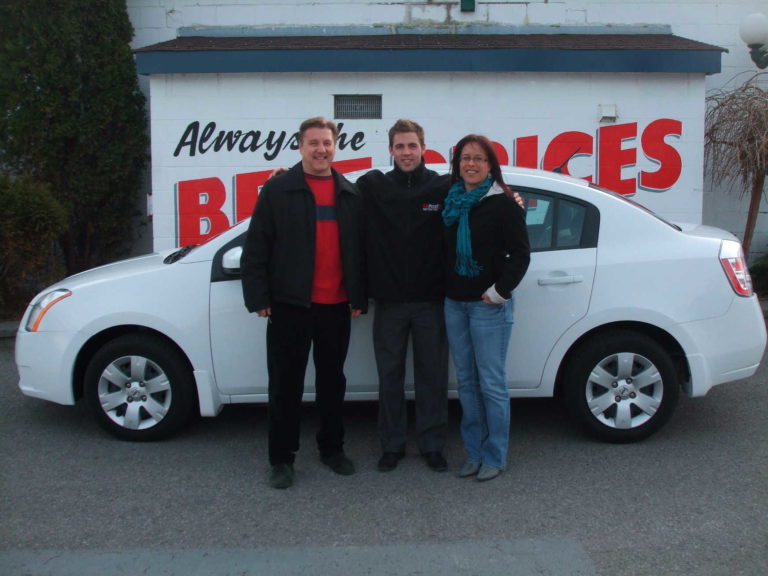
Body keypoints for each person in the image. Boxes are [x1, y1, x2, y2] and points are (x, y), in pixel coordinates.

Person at [240, 117, 367, 490]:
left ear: (335, 146)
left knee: (333, 383)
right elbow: (257, 248)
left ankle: (332, 449)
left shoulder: (350, 193)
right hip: (288, 306)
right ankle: (281, 459)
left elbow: (358, 252)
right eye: (313, 143)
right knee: (285, 386)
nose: (321, 149)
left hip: (336, 306)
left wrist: (358, 295)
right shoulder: (278, 190)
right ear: (300, 146)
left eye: (327, 142)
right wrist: (258, 297)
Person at [356, 119, 451, 472]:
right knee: (389, 376)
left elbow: (481, 192)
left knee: (432, 377)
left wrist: (512, 197)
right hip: (390, 303)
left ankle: (432, 445)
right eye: (400, 147)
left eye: (412, 146)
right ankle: (392, 445)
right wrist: (285, 175)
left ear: (423, 148)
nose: (406, 153)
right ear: (391, 150)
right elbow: (333, 187)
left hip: (432, 302)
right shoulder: (373, 186)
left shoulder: (442, 187)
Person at [442, 134, 530, 482]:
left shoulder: (504, 203)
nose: (472, 164)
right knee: (466, 383)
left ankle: (495, 455)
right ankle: (474, 453)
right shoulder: (451, 200)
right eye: (466, 158)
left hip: (487, 306)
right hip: (454, 304)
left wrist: (498, 292)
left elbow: (521, 255)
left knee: (491, 383)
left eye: (479, 159)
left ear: (491, 165)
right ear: (457, 163)